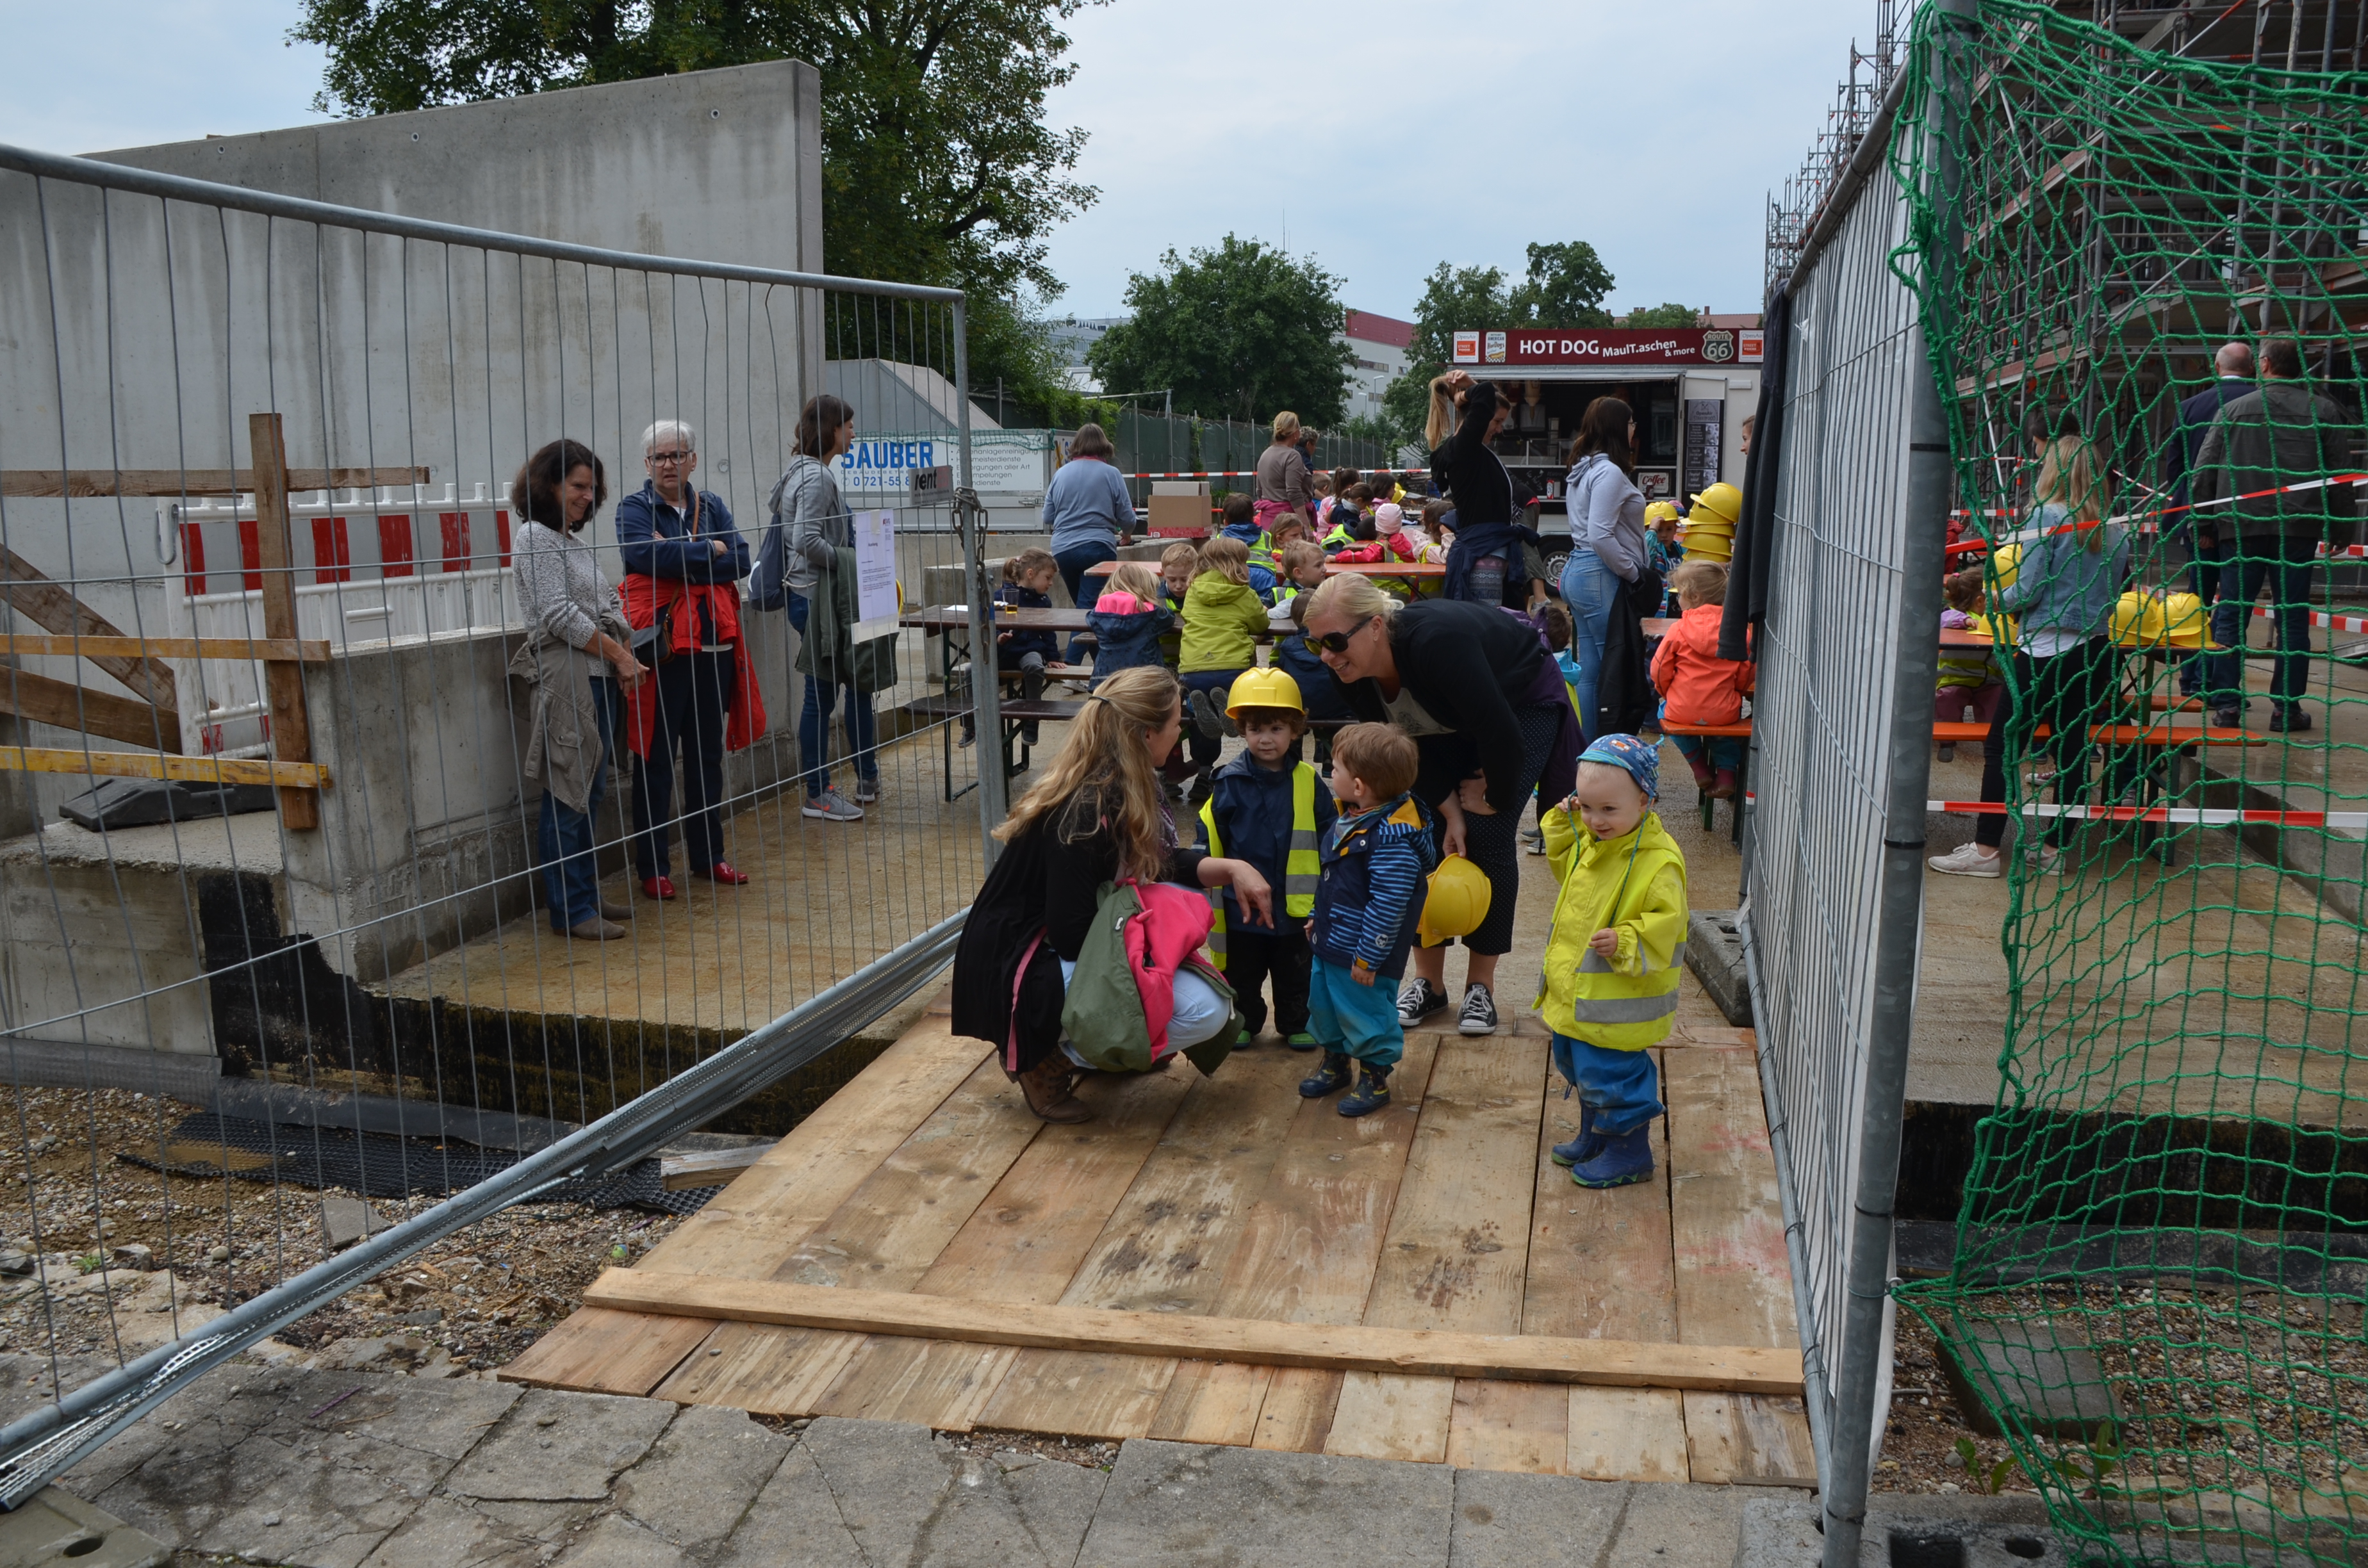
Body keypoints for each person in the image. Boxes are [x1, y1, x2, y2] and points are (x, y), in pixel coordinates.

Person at [948, 665, 1277, 1122]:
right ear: (1145, 733)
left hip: (1057, 947)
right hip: (1022, 963)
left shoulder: (1121, 784)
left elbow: (1156, 862)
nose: (1180, 729)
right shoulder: (1085, 810)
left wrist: (1232, 868)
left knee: (1207, 1004)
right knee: (1197, 1004)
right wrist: (1154, 959)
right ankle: (1044, 1059)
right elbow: (1071, 934)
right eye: (1176, 721)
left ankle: (1106, 1047)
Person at [1301, 574, 1579, 1036]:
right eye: (1316, 647)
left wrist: (1495, 794)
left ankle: (1481, 987)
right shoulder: (1349, 673)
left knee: (1488, 833)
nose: (1327, 656)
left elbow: (1500, 732)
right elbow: (1398, 750)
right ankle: (1429, 983)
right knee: (1418, 830)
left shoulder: (1437, 644)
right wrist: (1447, 806)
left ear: (1375, 626)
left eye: (1334, 641)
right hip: (1441, 724)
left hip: (1519, 705)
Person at [1930, 417, 2129, 879]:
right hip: (2095, 652)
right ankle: (2057, 848)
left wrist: (1992, 599)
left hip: (2043, 650)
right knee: (2073, 750)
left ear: (2053, 470)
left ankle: (1984, 851)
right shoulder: (2116, 529)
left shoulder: (2047, 517)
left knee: (2003, 746)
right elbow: (2118, 588)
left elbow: (2030, 588)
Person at [617, 418, 762, 896]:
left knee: (706, 760)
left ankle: (708, 857)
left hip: (712, 652)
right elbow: (643, 558)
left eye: (676, 455)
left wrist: (680, 552)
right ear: (646, 464)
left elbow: (741, 559)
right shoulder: (633, 508)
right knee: (655, 762)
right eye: (658, 457)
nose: (667, 464)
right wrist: (708, 552)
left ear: (692, 460)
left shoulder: (712, 504)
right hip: (662, 653)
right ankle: (653, 869)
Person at [509, 439, 648, 941]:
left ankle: (585, 894)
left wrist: (613, 644)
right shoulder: (534, 539)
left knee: (590, 792)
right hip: (569, 677)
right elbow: (557, 615)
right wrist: (618, 654)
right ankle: (570, 909)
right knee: (568, 794)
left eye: (592, 488)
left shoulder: (567, 542)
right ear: (549, 484)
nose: (588, 497)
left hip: (593, 676)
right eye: (578, 487)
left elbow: (608, 599)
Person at [1538, 735, 1686, 1189]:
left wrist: (1626, 940)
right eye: (1585, 807)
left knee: (1613, 1071)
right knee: (1581, 1063)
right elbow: (1569, 868)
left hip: (1618, 1001)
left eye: (1608, 810)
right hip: (1582, 997)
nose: (1595, 821)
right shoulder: (1596, 841)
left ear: (1644, 800)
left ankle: (1630, 1150)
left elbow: (1669, 924)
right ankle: (1596, 1133)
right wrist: (1565, 827)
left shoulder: (1658, 862)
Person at [2198, 338, 2356, 733]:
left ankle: (2228, 705)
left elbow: (2204, 472)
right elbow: (2339, 475)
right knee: (2293, 620)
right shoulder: (2322, 411)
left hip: (2241, 527)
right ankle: (2286, 708)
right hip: (2297, 530)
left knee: (2232, 615)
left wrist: (2203, 527)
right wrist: (2342, 527)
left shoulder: (2232, 410)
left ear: (2264, 364)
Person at [1298, 722, 1436, 1117]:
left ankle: (1374, 1079)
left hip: (1363, 954)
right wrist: (1315, 916)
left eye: (1335, 768)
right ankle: (1336, 1062)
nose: (1331, 774)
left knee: (1366, 1015)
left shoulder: (1391, 841)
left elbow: (1388, 907)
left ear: (1359, 786)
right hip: (1332, 940)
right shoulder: (1353, 818)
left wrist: (1367, 959)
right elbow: (1332, 881)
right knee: (1325, 1006)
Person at [1199, 669, 1336, 1050]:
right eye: (1257, 729)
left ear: (1295, 729)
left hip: (1296, 905)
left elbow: (1330, 834)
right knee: (1243, 971)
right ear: (1243, 730)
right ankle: (1244, 1020)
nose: (1266, 738)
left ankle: (1296, 1022)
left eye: (1276, 728)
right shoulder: (1228, 781)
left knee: (1297, 970)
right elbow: (1210, 834)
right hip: (1242, 903)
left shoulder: (1309, 781)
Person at [760, 393, 873, 823]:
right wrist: (850, 560)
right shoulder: (817, 479)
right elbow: (806, 541)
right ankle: (817, 792)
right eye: (848, 425)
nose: (853, 434)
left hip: (811, 597)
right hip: (815, 600)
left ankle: (829, 785)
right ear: (832, 430)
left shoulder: (801, 473)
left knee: (825, 694)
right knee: (819, 697)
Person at [2162, 342, 2255, 696]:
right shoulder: (2261, 404)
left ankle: (2192, 679)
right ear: (2253, 367)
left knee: (2196, 602)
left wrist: (2189, 507)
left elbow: (2176, 466)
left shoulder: (2191, 407)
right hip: (2246, 522)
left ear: (2216, 366)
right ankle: (2222, 683)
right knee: (2234, 604)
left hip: (2197, 520)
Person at [1561, 398, 1649, 739]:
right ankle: (1606, 759)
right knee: (1614, 673)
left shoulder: (1583, 468)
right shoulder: (1609, 472)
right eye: (1630, 424)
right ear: (1617, 427)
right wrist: (1634, 573)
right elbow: (1601, 535)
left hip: (1578, 570)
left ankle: (1588, 756)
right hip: (1599, 574)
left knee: (1593, 672)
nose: (1633, 431)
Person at [1427, 370, 1538, 608]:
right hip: (1483, 554)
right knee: (1487, 626)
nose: (1500, 430)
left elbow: (1488, 396)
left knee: (1491, 624)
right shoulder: (1464, 449)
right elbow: (1486, 392)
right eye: (1497, 421)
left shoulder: (1469, 451)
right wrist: (1464, 394)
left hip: (1487, 552)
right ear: (1477, 418)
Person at [1651, 559, 1755, 800]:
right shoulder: (1739, 630)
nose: (1678, 600)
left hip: (1681, 709)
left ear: (1693, 597)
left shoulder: (1678, 630)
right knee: (1725, 731)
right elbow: (1747, 668)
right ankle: (1727, 774)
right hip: (1723, 710)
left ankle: (1698, 765)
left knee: (1662, 713)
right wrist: (1736, 692)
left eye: (1679, 594)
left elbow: (1659, 668)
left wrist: (1667, 692)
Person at [1178, 535, 1272, 797]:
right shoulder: (1243, 593)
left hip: (1193, 670)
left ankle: (1203, 772)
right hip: (1232, 670)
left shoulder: (1193, 590)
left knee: (1199, 719)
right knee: (1246, 701)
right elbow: (1261, 625)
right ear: (1237, 565)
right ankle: (1233, 714)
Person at [1042, 423, 1135, 664]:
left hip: (1062, 549)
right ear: (1104, 446)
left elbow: (1047, 517)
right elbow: (1127, 516)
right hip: (1098, 549)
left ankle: (1100, 668)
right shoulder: (1111, 474)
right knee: (1089, 610)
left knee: (1088, 609)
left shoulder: (1060, 474)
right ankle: (1071, 666)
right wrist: (1126, 534)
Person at [965, 548, 1058, 747]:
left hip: (1029, 650)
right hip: (1004, 651)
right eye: (1048, 578)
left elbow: (1049, 632)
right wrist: (999, 638)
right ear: (1031, 574)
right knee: (971, 671)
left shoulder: (1043, 601)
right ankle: (970, 724)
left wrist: (1053, 656)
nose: (1050, 583)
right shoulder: (1001, 596)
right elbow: (987, 626)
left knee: (1035, 666)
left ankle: (1032, 720)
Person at [1087, 560, 1175, 680]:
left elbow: (1089, 618)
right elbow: (1169, 618)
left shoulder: (1099, 614)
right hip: (1146, 679)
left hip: (1106, 679)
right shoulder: (1152, 613)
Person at [1256, 411, 1316, 528]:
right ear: (1295, 433)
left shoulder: (1265, 454)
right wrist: (1306, 527)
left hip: (1269, 522)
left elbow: (1259, 490)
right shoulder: (1292, 456)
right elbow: (1294, 493)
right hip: (1289, 525)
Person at [1215, 492, 1280, 600]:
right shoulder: (1266, 536)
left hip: (1234, 575)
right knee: (1266, 601)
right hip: (1264, 576)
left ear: (1225, 522)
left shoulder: (1220, 538)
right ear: (1253, 518)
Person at [1156, 543, 1196, 667]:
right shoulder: (1154, 599)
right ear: (1163, 574)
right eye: (1172, 580)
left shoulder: (1201, 597)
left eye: (1185, 580)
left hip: (1194, 661)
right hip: (1163, 661)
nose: (1178, 586)